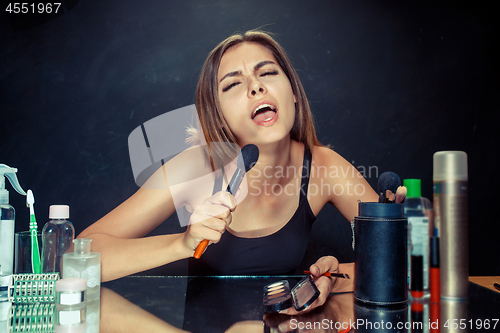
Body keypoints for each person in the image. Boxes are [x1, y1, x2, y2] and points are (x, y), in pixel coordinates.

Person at [78, 30, 379, 314]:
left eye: (268, 73)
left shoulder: (324, 166)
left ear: (294, 93)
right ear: (218, 116)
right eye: (233, 84)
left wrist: (333, 278)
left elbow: (405, 255)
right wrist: (182, 245)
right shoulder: (195, 166)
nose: (256, 86)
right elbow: (78, 260)